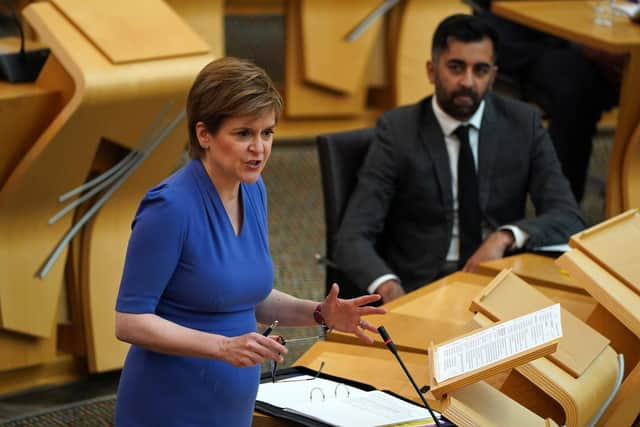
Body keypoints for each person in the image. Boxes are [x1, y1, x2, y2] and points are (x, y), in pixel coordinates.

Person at [114, 57, 386, 426]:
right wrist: (223, 346)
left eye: (267, 133)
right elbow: (130, 322)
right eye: (243, 134)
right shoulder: (169, 208)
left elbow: (250, 297)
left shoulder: (253, 190)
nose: (259, 148)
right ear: (204, 134)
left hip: (231, 405)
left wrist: (319, 313)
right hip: (170, 402)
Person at [333, 14, 585, 304]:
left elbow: (568, 216)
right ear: (431, 71)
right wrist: (389, 288)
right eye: (455, 67)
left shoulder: (523, 124)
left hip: (499, 280)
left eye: (480, 70)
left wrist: (504, 237)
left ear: (492, 77)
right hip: (420, 287)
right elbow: (352, 237)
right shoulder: (397, 130)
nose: (467, 81)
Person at [471, 2, 619, 202]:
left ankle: (623, 189)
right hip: (529, 34)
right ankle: (560, 211)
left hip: (606, 28)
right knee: (579, 90)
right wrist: (583, 44)